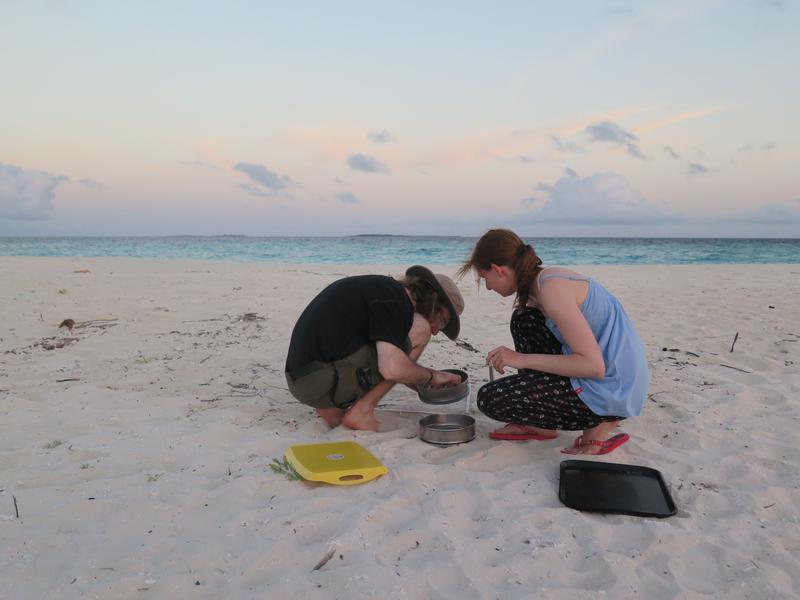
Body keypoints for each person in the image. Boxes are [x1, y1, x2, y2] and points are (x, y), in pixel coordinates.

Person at [458, 229, 649, 455]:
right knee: (524, 319)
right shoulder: (543, 282)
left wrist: (521, 359)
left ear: (498, 270)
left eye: (484, 278)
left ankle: (600, 425)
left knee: (491, 398)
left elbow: (593, 366)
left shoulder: (551, 290)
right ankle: (541, 425)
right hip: (612, 377)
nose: (488, 286)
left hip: (614, 390)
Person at [285, 265, 465, 431]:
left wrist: (421, 382)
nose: (435, 331)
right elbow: (392, 368)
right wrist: (431, 376)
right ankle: (362, 411)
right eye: (441, 321)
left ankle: (331, 411)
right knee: (420, 329)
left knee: (392, 354)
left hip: (304, 379)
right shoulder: (396, 300)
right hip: (319, 380)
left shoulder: (383, 291)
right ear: (433, 300)